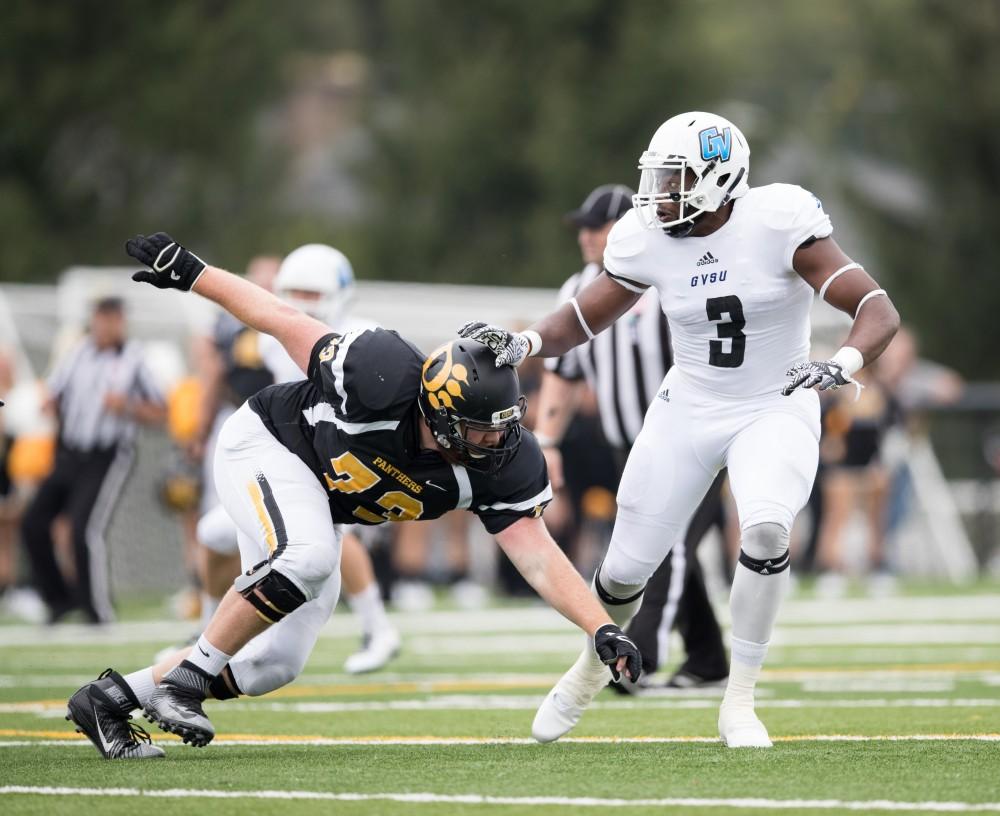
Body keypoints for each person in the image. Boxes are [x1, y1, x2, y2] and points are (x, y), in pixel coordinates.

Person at [64, 231, 641, 760]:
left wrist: (600, 628)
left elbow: (537, 555)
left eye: (503, 424)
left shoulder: (504, 459)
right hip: (266, 447)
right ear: (439, 414)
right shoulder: (379, 372)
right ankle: (190, 679)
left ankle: (109, 699)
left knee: (275, 664)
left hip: (317, 495)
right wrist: (193, 273)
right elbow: (280, 316)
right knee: (308, 559)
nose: (495, 440)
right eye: (479, 428)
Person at [459, 110, 900, 748]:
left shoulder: (779, 219)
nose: (659, 193)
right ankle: (590, 667)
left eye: (675, 179)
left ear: (721, 178)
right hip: (689, 403)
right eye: (658, 178)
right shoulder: (646, 236)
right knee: (623, 571)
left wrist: (840, 364)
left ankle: (740, 700)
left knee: (769, 526)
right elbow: (585, 317)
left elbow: (875, 308)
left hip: (776, 399)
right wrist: (525, 339)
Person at [536, 183, 728, 689]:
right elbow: (564, 371)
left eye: (596, 227)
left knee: (667, 545)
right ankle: (709, 660)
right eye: (583, 227)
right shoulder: (578, 287)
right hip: (628, 447)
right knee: (665, 546)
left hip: (694, 440)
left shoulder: (669, 273)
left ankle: (636, 660)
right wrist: (547, 441)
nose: (586, 237)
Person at [189, 243, 401, 674]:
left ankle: (377, 627)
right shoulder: (272, 341)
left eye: (311, 292)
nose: (302, 302)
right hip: (293, 457)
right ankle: (209, 629)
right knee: (213, 534)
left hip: (346, 458)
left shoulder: (364, 337)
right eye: (294, 292)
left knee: (330, 538)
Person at [21, 297, 166, 624]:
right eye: (101, 319)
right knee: (33, 523)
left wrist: (127, 407)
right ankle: (58, 600)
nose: (105, 327)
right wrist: (48, 405)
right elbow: (54, 394)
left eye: (112, 320)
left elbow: (161, 411)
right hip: (69, 453)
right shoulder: (76, 353)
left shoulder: (134, 359)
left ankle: (97, 610)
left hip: (107, 454)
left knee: (84, 529)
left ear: (121, 323)